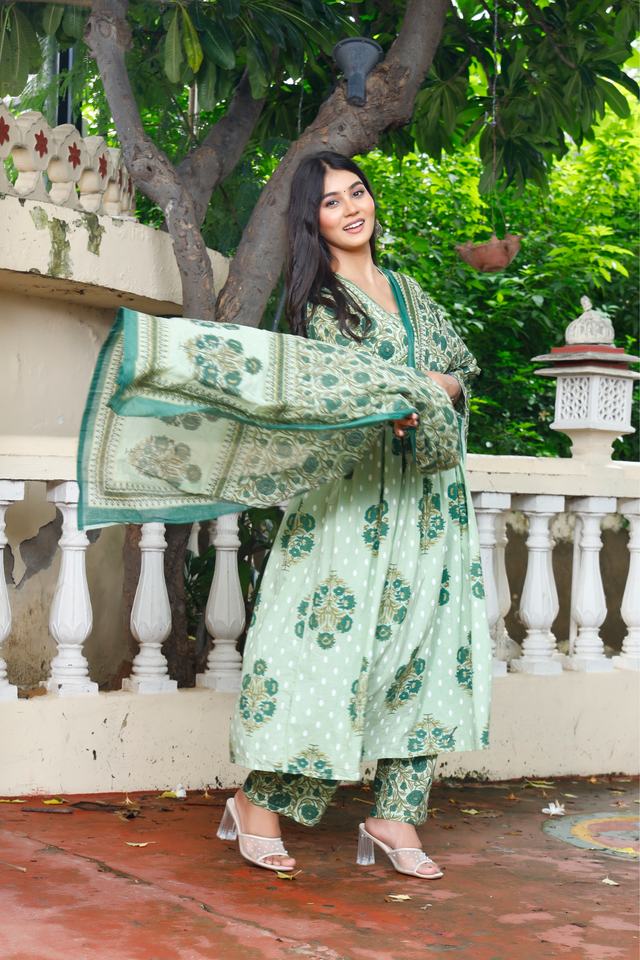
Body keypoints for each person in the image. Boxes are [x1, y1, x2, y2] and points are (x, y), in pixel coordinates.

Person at [216, 151, 492, 880]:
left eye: (358, 192)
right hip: (351, 500)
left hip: (428, 501)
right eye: (332, 201)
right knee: (328, 654)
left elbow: (461, 368)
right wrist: (405, 395)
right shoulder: (319, 304)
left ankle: (396, 812)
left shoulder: (407, 290)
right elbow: (342, 394)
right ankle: (258, 802)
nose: (351, 208)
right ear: (312, 220)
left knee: (424, 650)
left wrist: (437, 389)